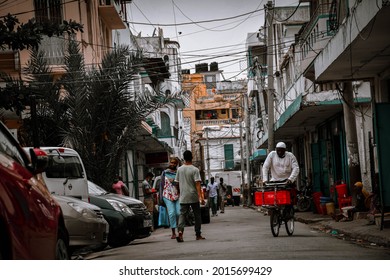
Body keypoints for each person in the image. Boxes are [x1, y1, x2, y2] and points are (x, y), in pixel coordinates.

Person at [174, 150, 206, 242]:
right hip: (193, 196)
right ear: (192, 158)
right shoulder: (195, 169)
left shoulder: (179, 169)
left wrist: (179, 192)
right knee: (197, 216)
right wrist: (201, 197)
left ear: (184, 158)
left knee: (182, 215)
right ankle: (198, 234)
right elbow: (198, 184)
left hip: (184, 196)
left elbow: (176, 183)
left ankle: (180, 232)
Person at [159, 157, 181, 239]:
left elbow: (181, 184)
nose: (172, 164)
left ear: (176, 164)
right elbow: (161, 185)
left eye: (174, 163)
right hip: (167, 195)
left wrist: (174, 182)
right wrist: (160, 198)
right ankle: (173, 232)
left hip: (177, 195)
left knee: (178, 213)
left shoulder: (178, 173)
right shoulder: (164, 173)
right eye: (171, 162)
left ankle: (180, 231)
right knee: (171, 213)